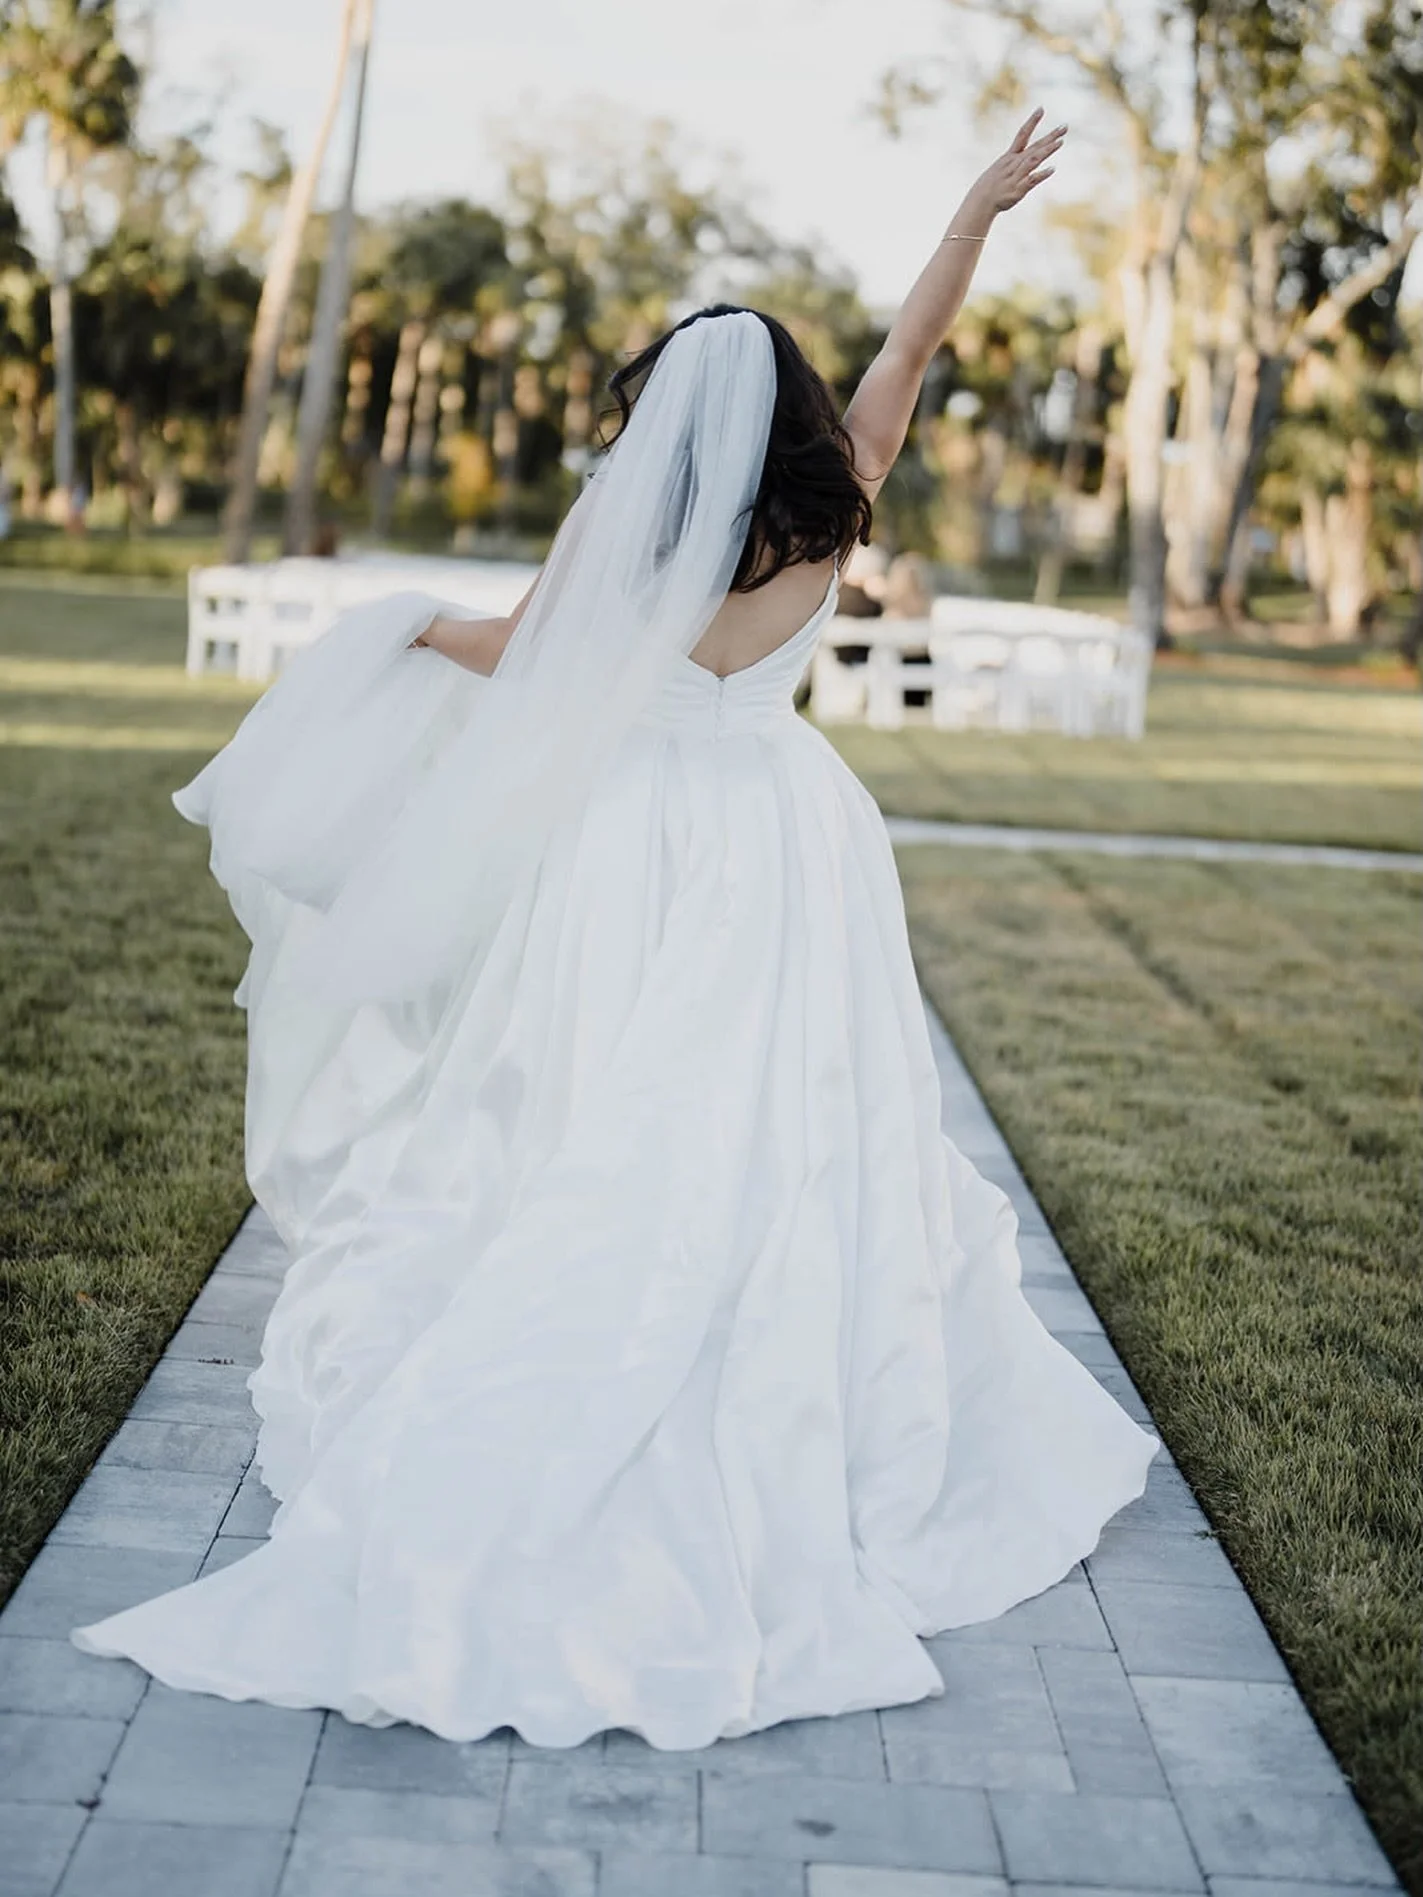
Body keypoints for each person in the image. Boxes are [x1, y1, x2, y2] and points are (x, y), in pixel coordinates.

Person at [73, 111, 1156, 1748]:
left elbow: (519, 655)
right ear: (792, 409)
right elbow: (915, 338)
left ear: (663, 417)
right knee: (778, 1105)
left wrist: (400, 630)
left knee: (588, 1086)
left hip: (629, 841)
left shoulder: (625, 535)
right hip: (786, 836)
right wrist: (973, 210)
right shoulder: (840, 496)